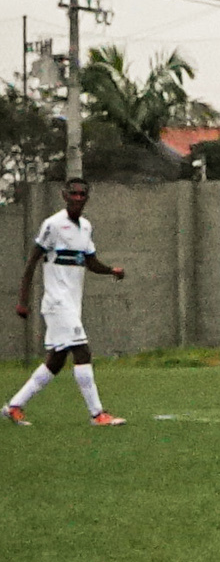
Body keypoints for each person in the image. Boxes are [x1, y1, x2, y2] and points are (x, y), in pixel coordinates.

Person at [6, 178, 127, 426]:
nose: (78, 198)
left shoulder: (86, 227)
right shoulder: (52, 224)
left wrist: (110, 271)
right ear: (64, 195)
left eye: (83, 194)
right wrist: (22, 300)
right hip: (57, 302)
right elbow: (31, 263)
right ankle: (97, 414)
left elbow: (90, 261)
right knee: (82, 350)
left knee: (56, 360)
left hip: (72, 303)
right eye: (74, 193)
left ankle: (14, 406)